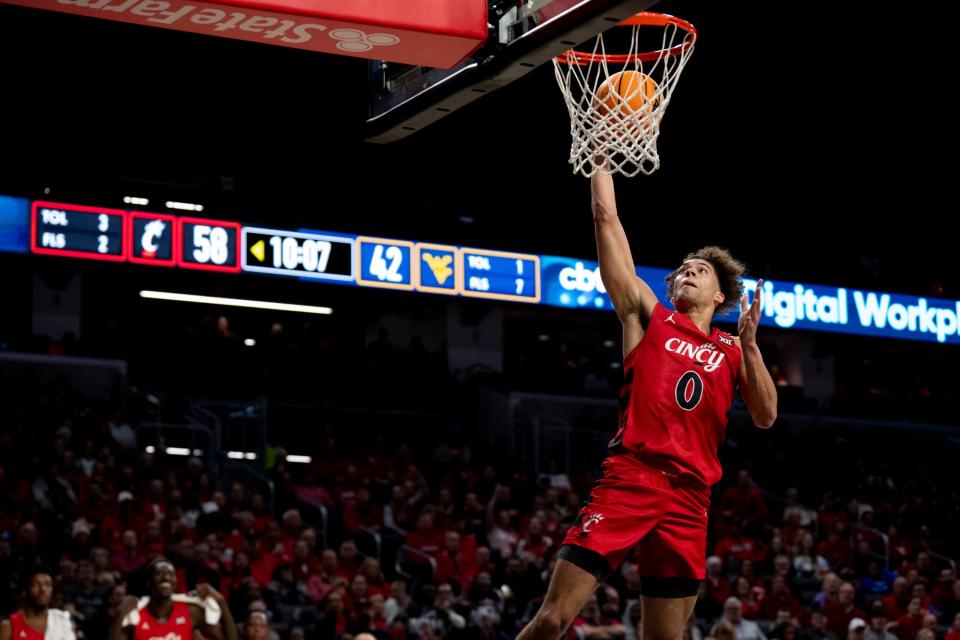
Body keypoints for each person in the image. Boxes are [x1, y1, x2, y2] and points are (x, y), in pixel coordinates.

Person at [516, 165, 778, 640]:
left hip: (690, 499)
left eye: (699, 270)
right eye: (681, 270)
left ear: (719, 294)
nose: (686, 273)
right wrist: (598, 155)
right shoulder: (647, 316)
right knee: (553, 619)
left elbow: (765, 416)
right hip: (632, 477)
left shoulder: (734, 348)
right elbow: (606, 220)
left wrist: (753, 346)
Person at [108, 557, 239, 640]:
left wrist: (221, 602)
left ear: (176, 582)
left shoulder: (191, 612)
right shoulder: (134, 614)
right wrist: (120, 615)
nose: (166, 577)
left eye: (171, 574)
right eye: (159, 573)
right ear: (149, 581)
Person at [0, 567, 77, 640]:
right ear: (24, 592)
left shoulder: (62, 622)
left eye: (47, 584)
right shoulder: (8, 626)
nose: (43, 589)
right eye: (36, 584)